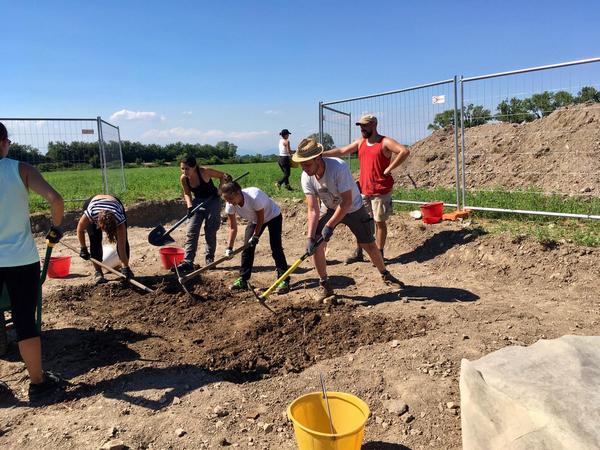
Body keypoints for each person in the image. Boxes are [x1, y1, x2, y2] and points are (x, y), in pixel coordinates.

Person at [0, 121, 66, 405]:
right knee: (25, 320)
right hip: (20, 259)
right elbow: (55, 199)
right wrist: (55, 228)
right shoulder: (21, 169)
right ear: (5, 142)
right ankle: (38, 383)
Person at [292, 137, 404, 301]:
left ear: (318, 158)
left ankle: (385, 274)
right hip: (329, 207)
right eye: (302, 164)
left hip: (352, 208)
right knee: (316, 245)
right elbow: (312, 208)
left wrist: (329, 226)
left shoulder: (338, 167)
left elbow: (346, 202)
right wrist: (310, 237)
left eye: (307, 164)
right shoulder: (306, 176)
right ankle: (325, 285)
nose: (304, 168)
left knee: (369, 245)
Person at [323, 114, 410, 263]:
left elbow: (404, 151)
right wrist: (321, 155)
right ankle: (359, 252)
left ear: (374, 124)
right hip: (362, 190)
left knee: (379, 222)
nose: (362, 128)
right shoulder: (360, 142)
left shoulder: (385, 142)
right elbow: (343, 151)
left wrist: (389, 168)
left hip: (380, 191)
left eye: (365, 125)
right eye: (361, 126)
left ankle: (379, 254)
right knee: (362, 223)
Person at [221, 181, 290, 294]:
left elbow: (261, 220)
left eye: (230, 198)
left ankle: (284, 280)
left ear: (238, 192)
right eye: (226, 199)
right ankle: (243, 279)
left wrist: (255, 236)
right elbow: (232, 227)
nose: (229, 202)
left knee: (276, 247)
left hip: (273, 216)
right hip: (255, 220)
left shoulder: (254, 197)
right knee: (247, 248)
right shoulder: (230, 204)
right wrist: (229, 247)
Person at [174, 156, 231, 273]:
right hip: (197, 202)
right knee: (191, 231)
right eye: (182, 169)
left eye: (187, 169)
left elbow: (224, 176)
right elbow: (187, 193)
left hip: (213, 201)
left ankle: (209, 259)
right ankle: (188, 262)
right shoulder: (184, 178)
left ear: (194, 167)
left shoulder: (205, 172)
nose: (185, 172)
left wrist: (220, 190)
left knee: (210, 230)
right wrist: (189, 206)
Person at [77, 194, 133, 285]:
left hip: (114, 203)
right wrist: (83, 248)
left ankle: (126, 269)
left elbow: (122, 246)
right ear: (99, 224)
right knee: (95, 240)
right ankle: (98, 272)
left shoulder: (119, 220)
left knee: (124, 241)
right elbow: (80, 229)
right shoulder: (91, 213)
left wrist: (125, 267)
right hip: (92, 203)